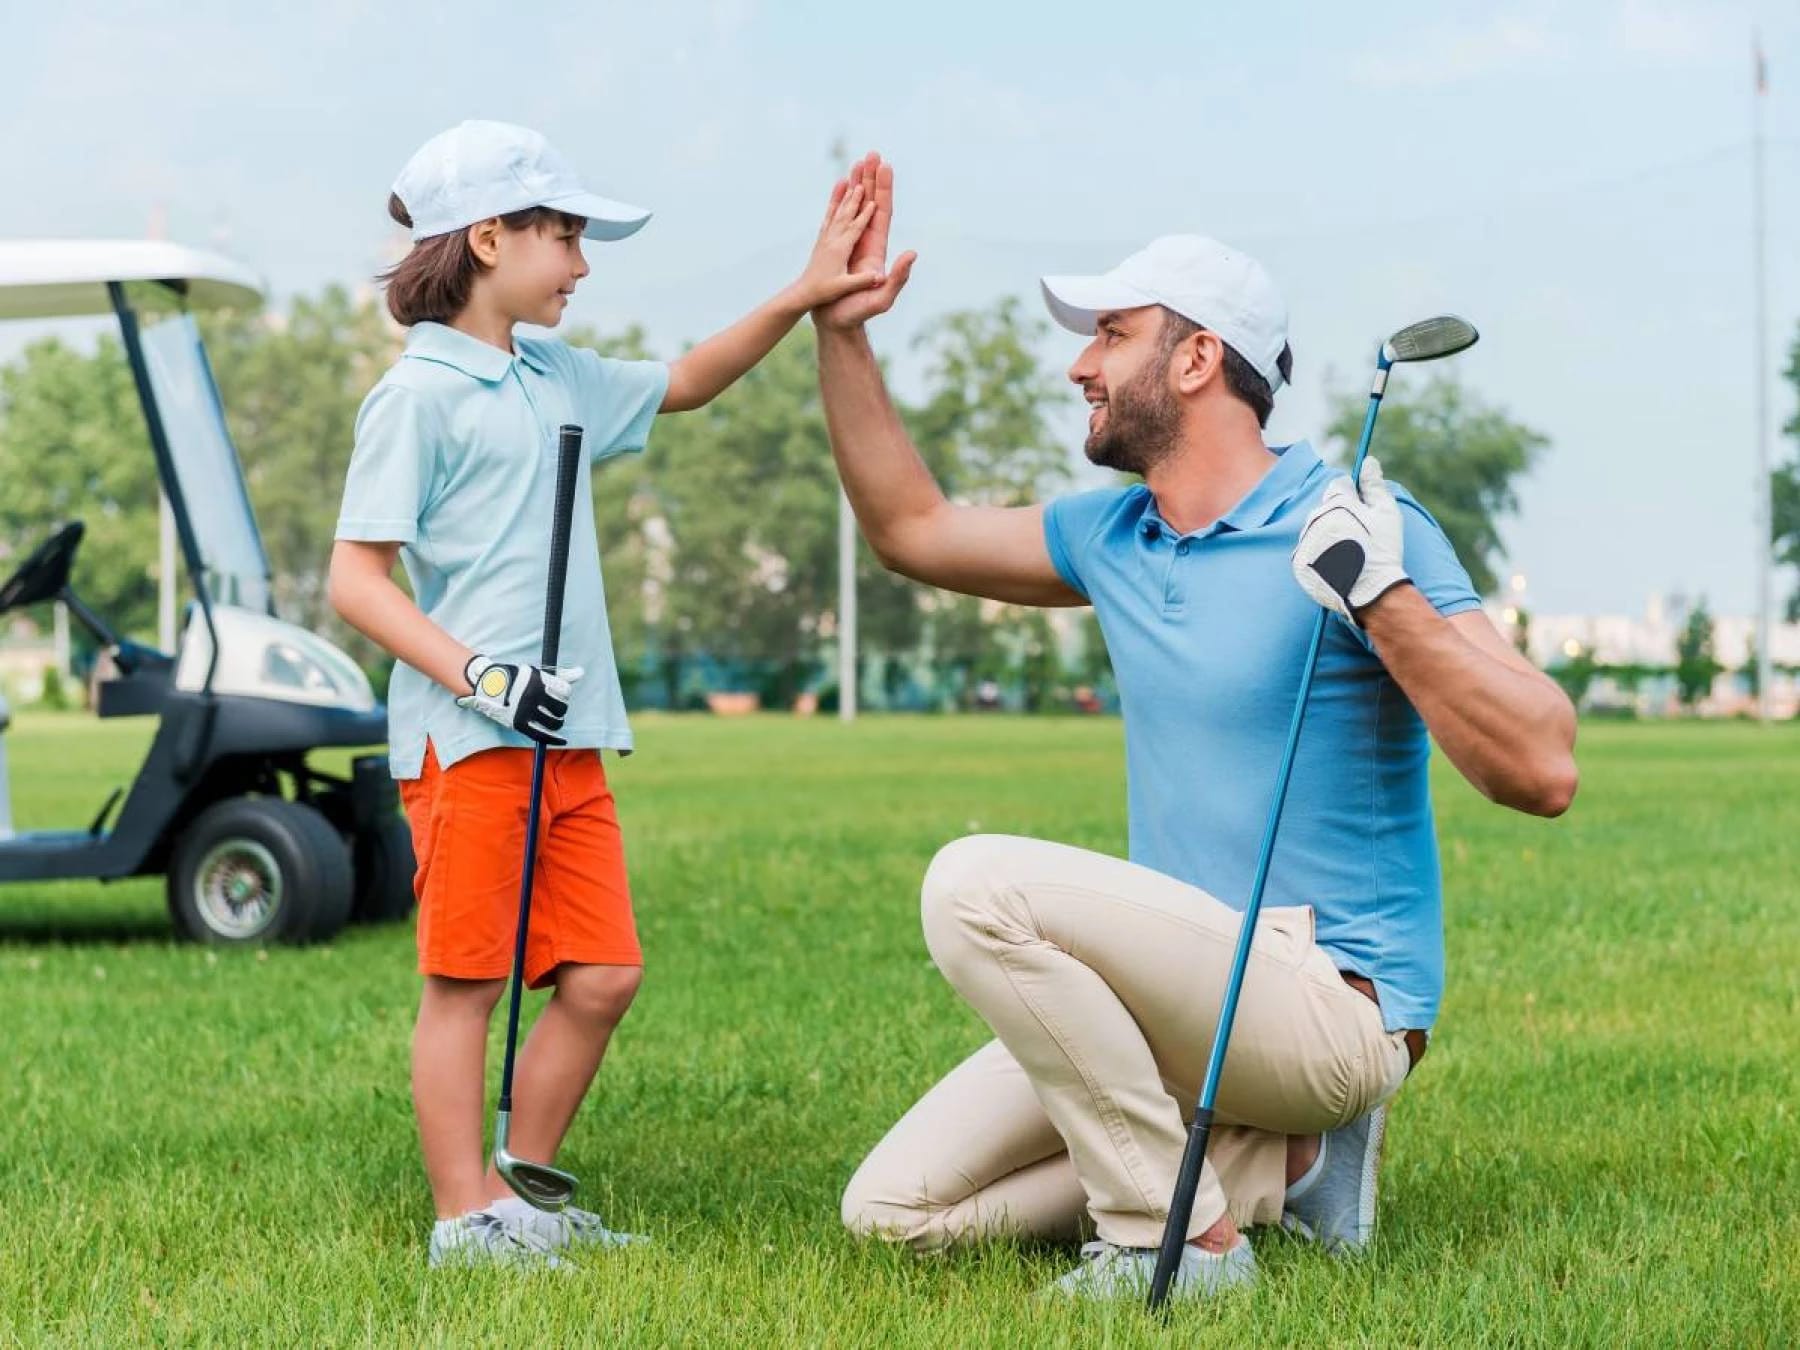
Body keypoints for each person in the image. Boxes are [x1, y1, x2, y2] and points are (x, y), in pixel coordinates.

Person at [814, 156, 1578, 1301]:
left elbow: (1542, 765)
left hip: (1331, 1005)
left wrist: (1379, 595)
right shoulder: (1111, 536)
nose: (1081, 364)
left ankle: (1179, 1245)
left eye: (1110, 335)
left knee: (975, 886)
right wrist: (841, 333)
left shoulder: (1358, 520)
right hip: (1181, 999)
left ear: (1196, 358)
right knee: (893, 1212)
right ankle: (1280, 1168)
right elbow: (911, 529)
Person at [328, 121, 885, 1269]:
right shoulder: (416, 397)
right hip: (470, 739)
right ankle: (464, 1220)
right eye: (566, 238)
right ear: (490, 238)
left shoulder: (558, 374)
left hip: (567, 733)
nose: (582, 266)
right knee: (466, 985)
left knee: (604, 973)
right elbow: (355, 581)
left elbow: (688, 381)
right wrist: (483, 675)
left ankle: (518, 1197)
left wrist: (802, 295)